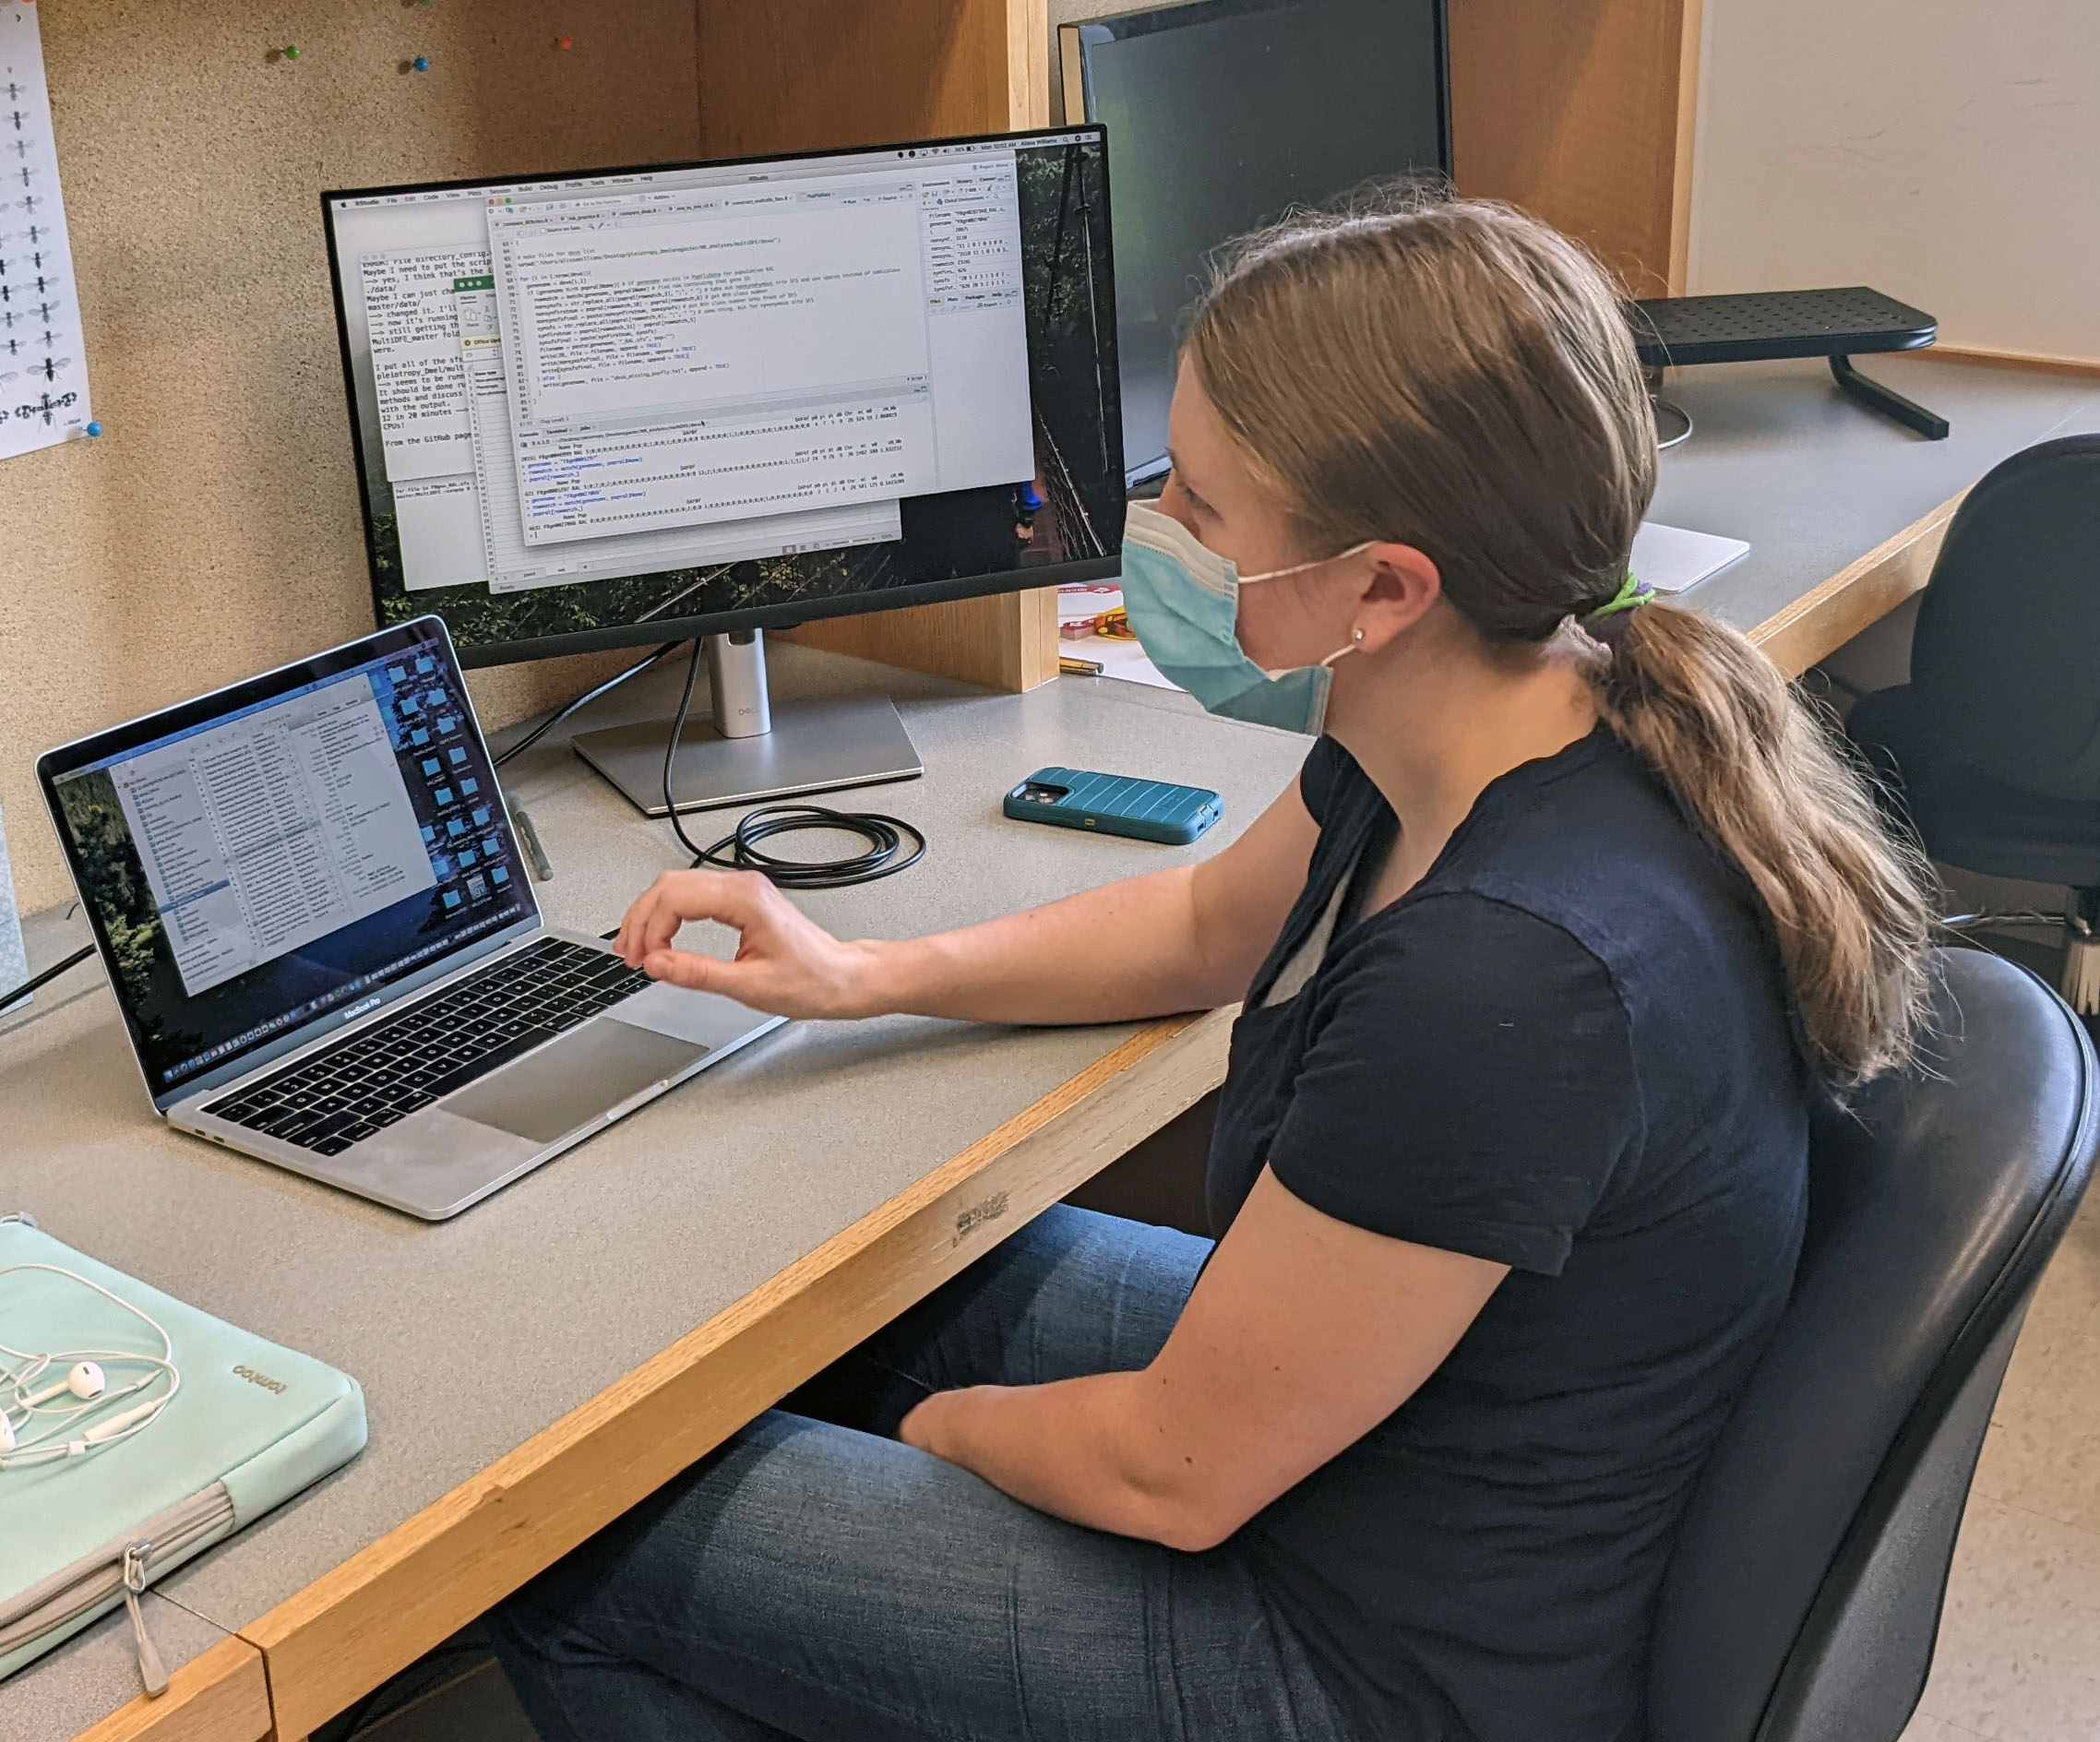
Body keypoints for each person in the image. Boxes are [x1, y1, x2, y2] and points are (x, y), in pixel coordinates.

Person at [487, 194, 1934, 1742]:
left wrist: (936, 1444)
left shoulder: (1505, 978)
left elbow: (1166, 1475)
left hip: (1367, 1667)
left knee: (579, 1551)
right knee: (883, 1311)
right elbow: (1201, 928)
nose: (1150, 532)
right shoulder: (1499, 726)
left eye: (1201, 502)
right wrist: (862, 969)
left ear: (1385, 588)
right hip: (1402, 1458)